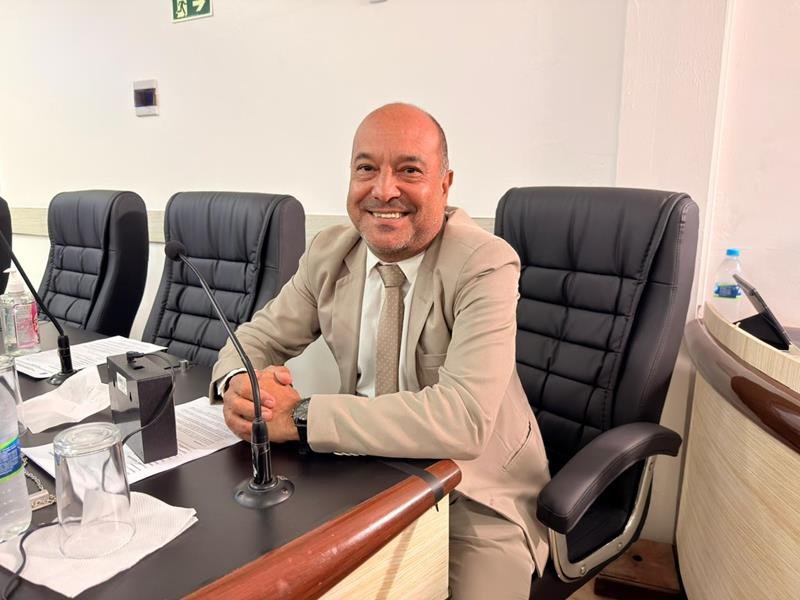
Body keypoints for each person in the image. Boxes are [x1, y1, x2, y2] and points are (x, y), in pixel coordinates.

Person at [211, 103, 550, 599]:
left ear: (445, 185)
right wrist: (238, 384)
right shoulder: (330, 251)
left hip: (475, 495)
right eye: (366, 168)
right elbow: (257, 338)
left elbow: (463, 419)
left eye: (409, 170)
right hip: (365, 477)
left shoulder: (484, 263)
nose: (384, 190)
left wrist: (299, 417)